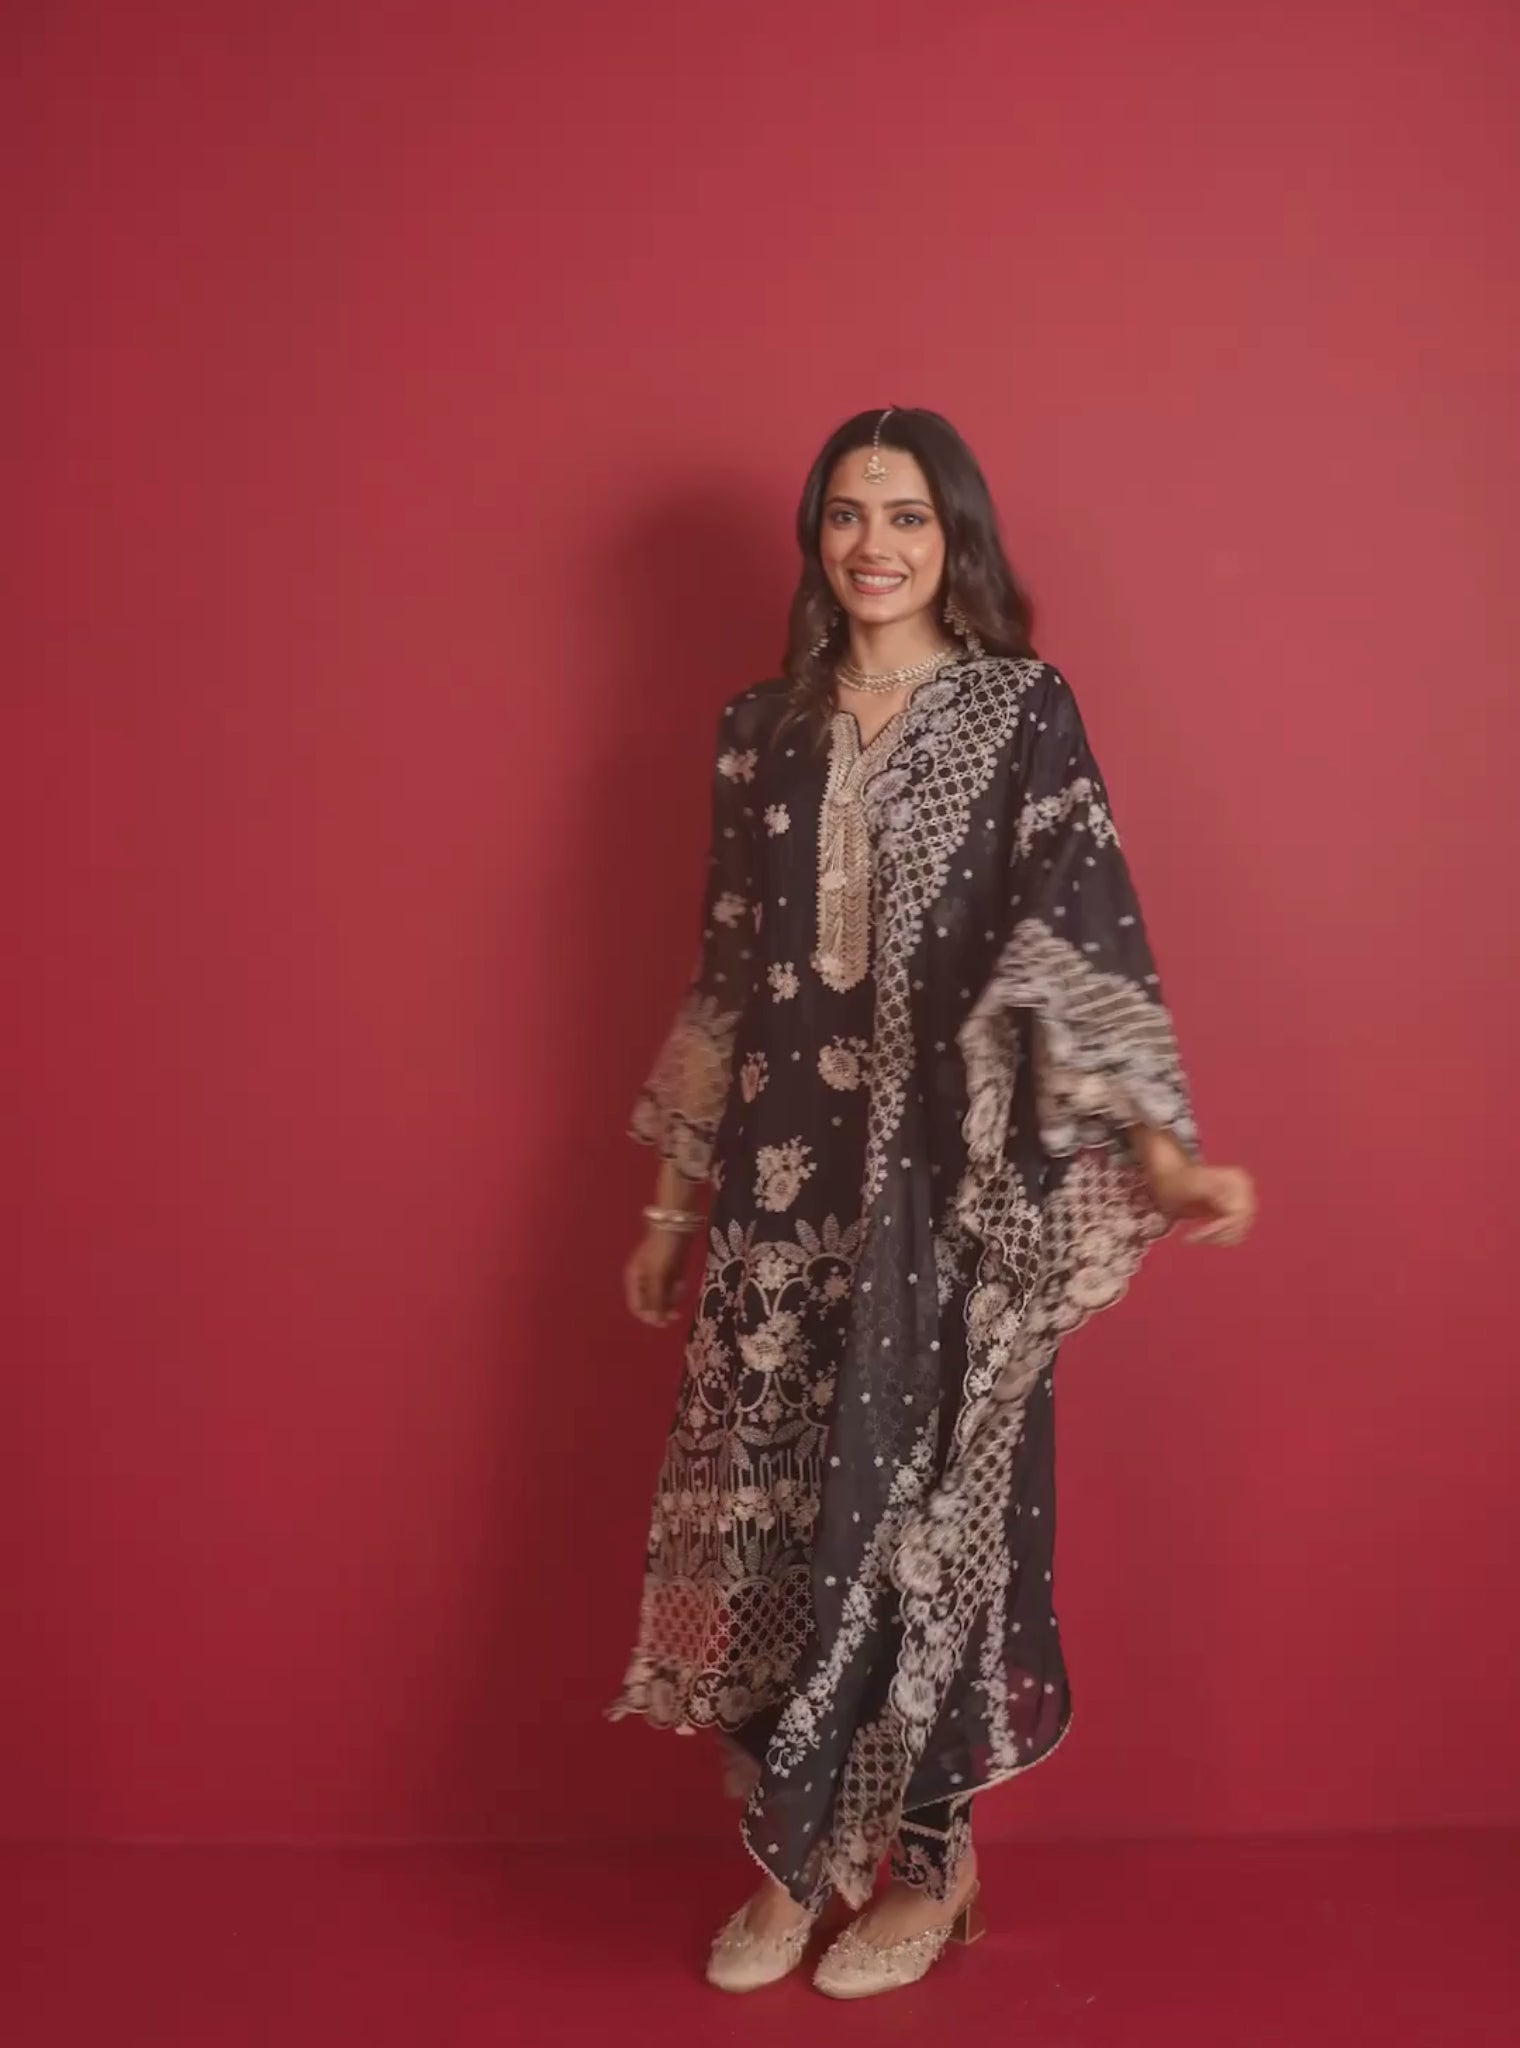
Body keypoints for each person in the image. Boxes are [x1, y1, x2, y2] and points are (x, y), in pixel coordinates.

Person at [610, 406, 1256, 1999]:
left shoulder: (1020, 711)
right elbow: (726, 976)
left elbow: (1082, 932)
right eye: (847, 513)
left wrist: (1160, 1152)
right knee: (777, 1519)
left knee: (933, 1525)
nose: (874, 545)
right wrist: (673, 1209)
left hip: (952, 1200)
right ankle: (787, 1860)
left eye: (906, 514)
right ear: (815, 539)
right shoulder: (760, 733)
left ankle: (928, 1865)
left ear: (956, 536)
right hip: (785, 1195)